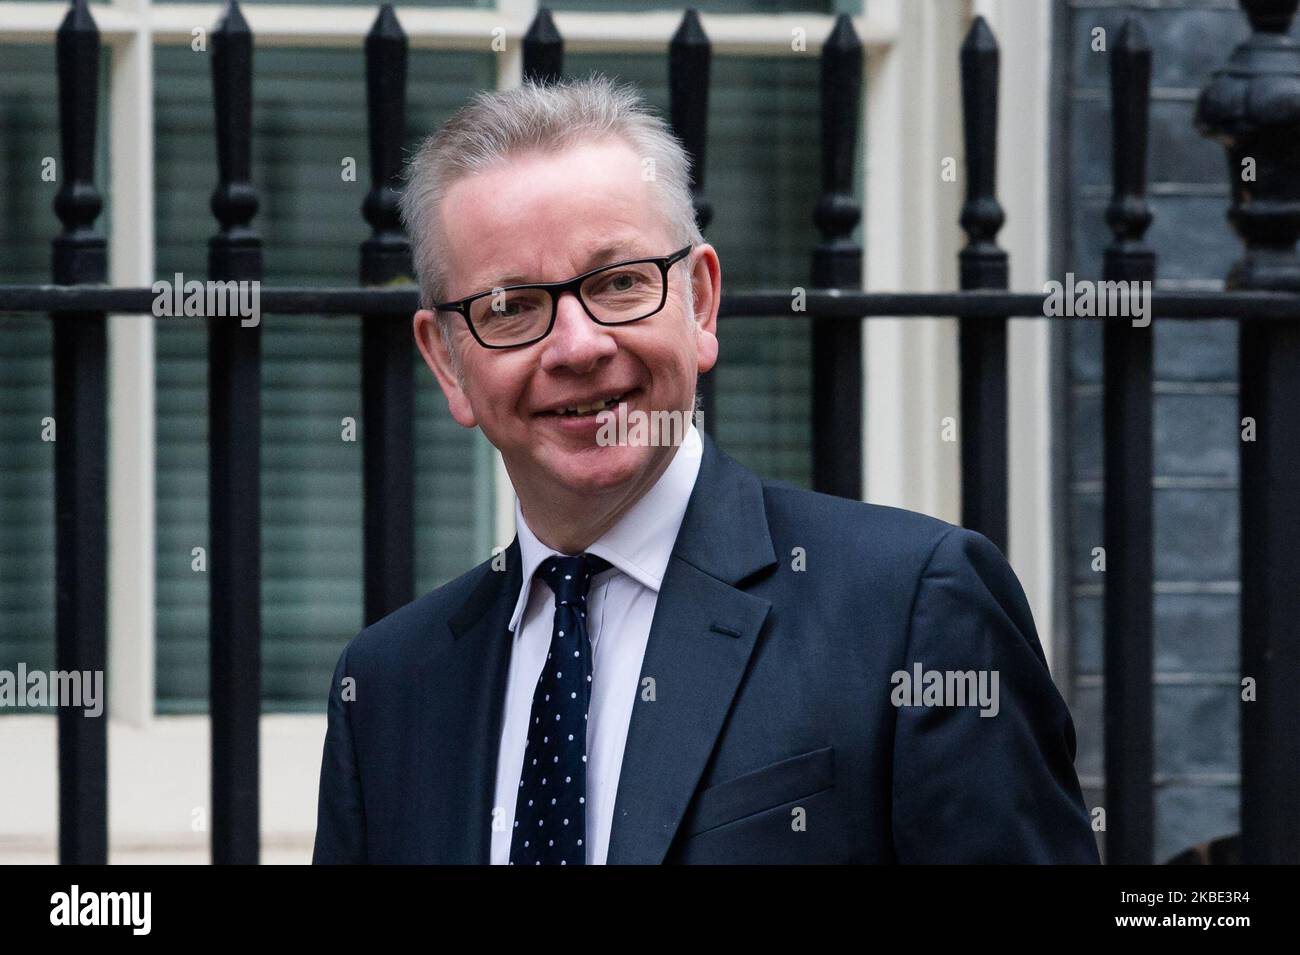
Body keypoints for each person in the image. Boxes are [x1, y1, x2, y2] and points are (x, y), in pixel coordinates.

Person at [312, 74, 1099, 865]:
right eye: (511, 306)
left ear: (700, 303)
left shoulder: (914, 611)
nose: (578, 346)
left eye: (619, 283)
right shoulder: (386, 691)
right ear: (447, 361)